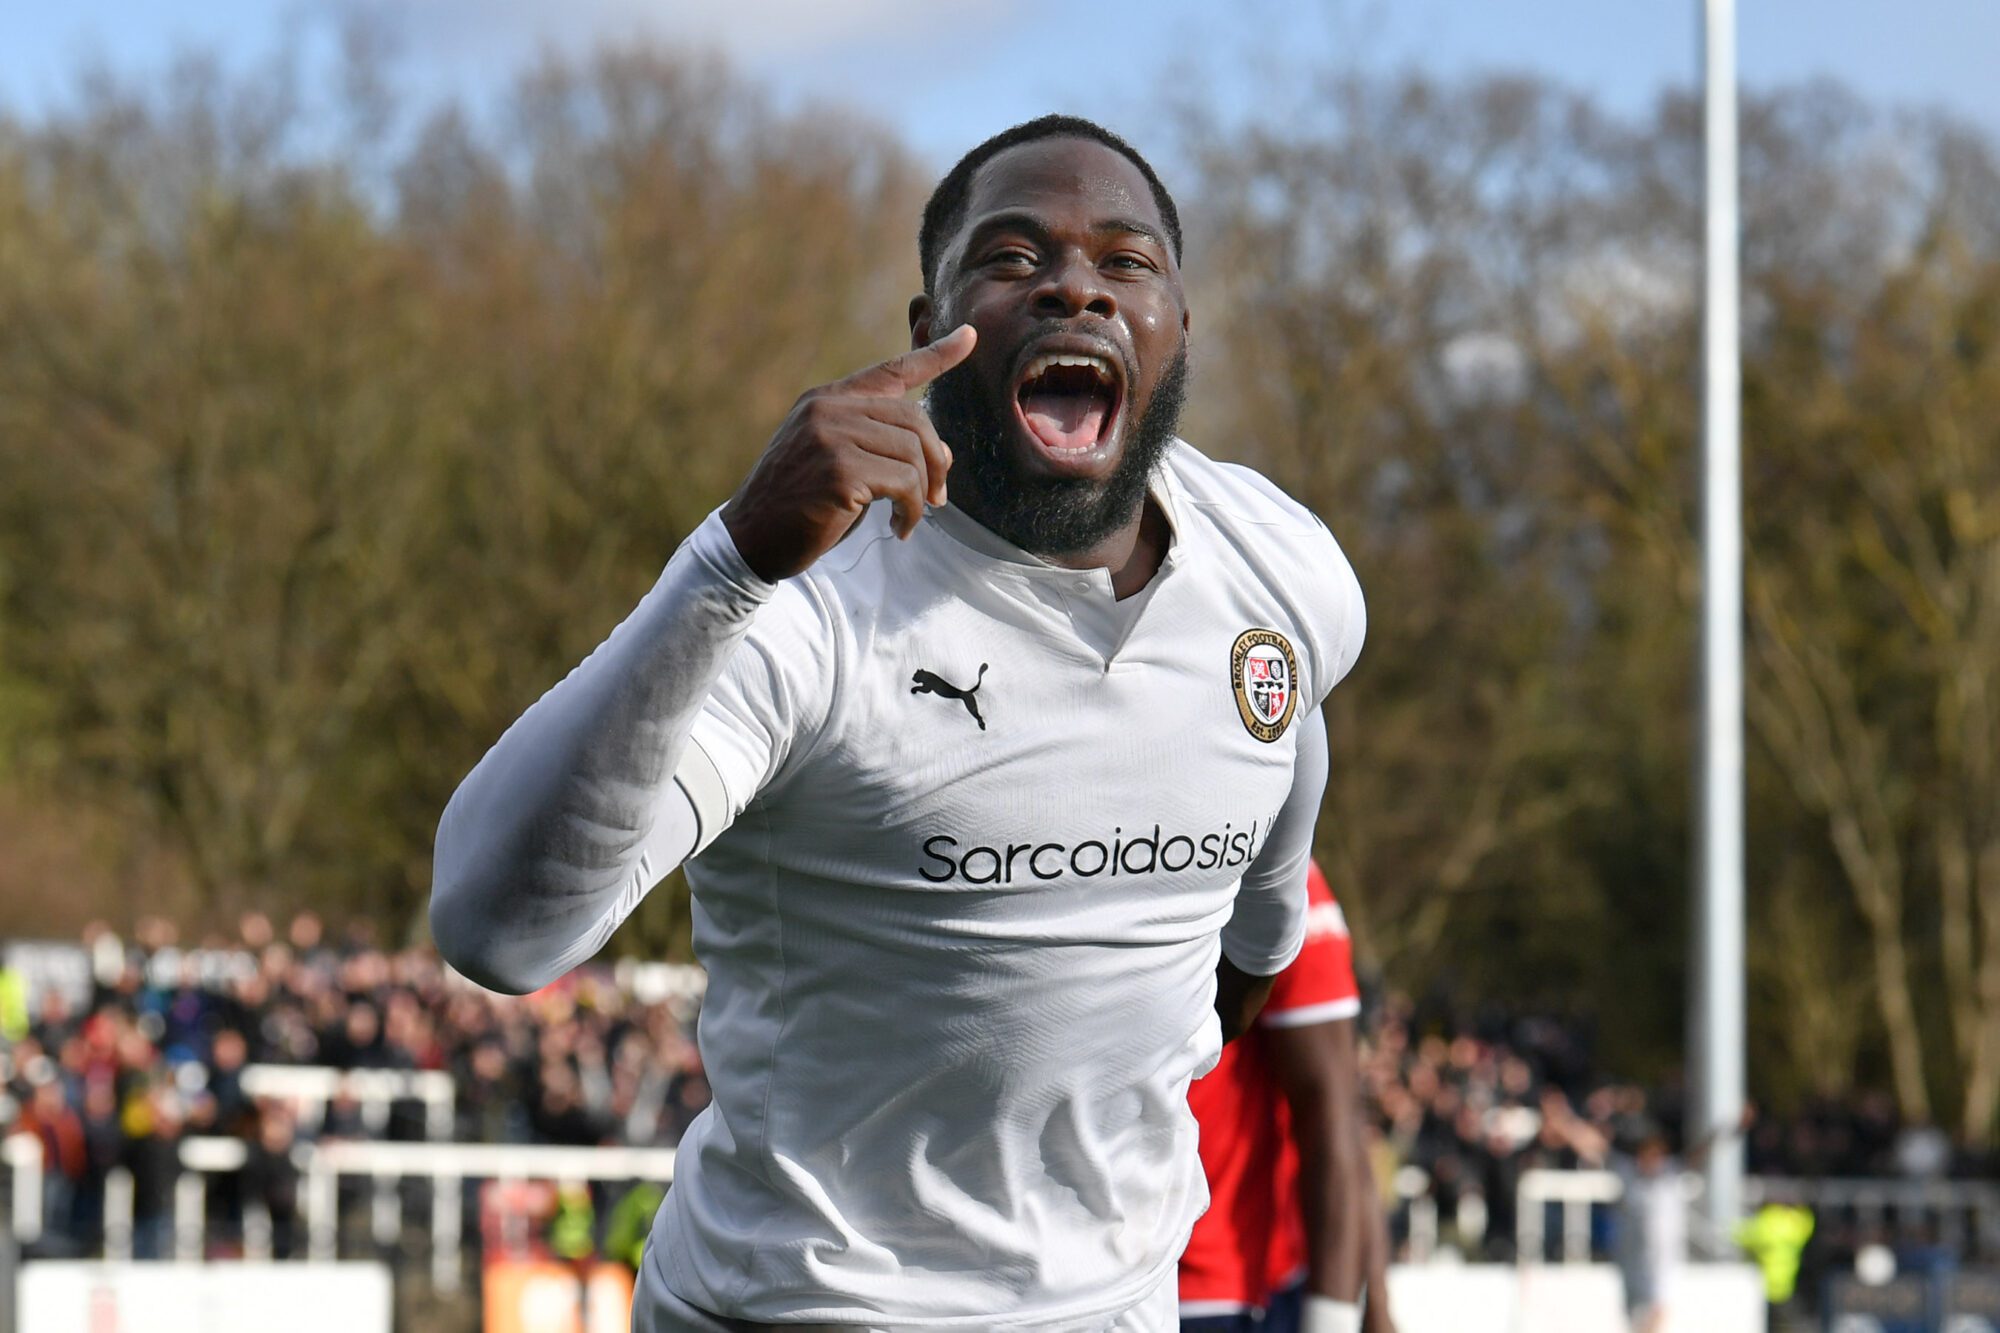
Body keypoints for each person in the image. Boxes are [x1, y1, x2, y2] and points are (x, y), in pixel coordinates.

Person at [431, 114, 1366, 1330]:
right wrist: (725, 562)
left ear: (1177, 326)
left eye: (1125, 260)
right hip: (803, 1309)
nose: (1073, 285)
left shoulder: (1285, 575)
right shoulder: (809, 607)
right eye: (1011, 257)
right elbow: (497, 933)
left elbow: (1253, 931)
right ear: (929, 331)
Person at [1181, 863, 1394, 1333]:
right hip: (1060, 1261)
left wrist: (1348, 1313)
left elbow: (1331, 1107)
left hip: (1215, 1286)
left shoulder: (1278, 869)